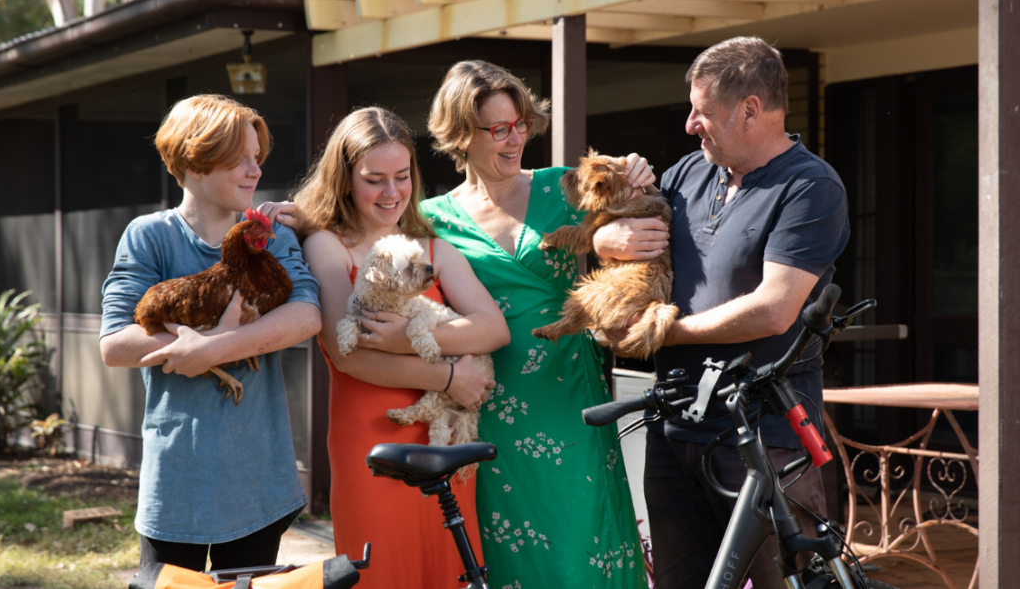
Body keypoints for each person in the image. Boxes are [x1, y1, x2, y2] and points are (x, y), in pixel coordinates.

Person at [600, 36, 851, 589]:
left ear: (751, 110)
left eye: (703, 112)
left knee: (780, 583)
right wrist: (607, 238)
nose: (690, 124)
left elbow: (773, 310)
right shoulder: (687, 175)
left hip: (765, 435)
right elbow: (630, 242)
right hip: (675, 428)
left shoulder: (810, 187)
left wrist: (660, 334)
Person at [420, 59, 653, 589]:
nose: (515, 138)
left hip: (570, 393)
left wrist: (636, 172)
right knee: (506, 552)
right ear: (461, 133)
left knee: (581, 540)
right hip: (490, 402)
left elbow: (633, 195)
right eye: (499, 128)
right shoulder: (429, 215)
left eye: (521, 123)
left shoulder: (562, 187)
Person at [286, 107, 509, 589]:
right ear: (345, 180)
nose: (391, 193)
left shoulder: (431, 249)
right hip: (372, 439)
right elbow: (349, 353)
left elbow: (494, 329)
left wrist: (408, 338)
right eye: (374, 179)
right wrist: (449, 377)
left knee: (447, 567)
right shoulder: (327, 246)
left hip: (443, 437)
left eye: (402, 177)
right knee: (381, 570)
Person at [99, 94, 322, 572]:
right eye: (238, 159)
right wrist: (203, 342)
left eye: (256, 158)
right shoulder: (150, 236)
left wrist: (213, 347)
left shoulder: (269, 234)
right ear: (195, 164)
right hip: (179, 481)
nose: (254, 170)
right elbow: (116, 344)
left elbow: (306, 316)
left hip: (258, 477)